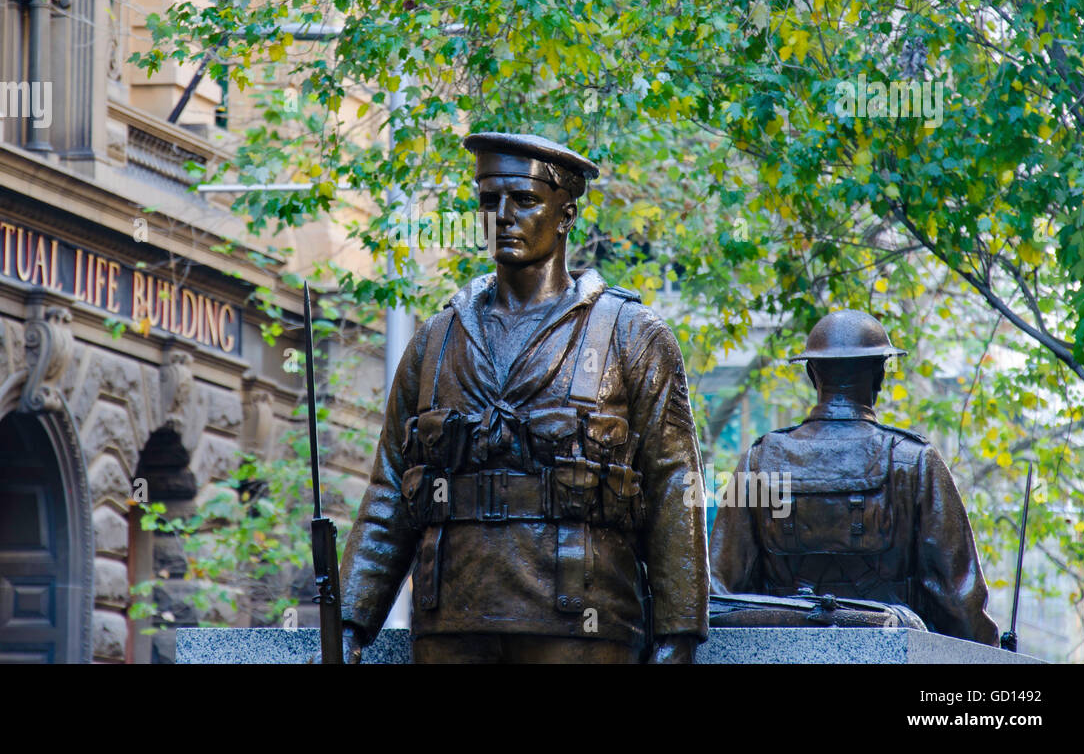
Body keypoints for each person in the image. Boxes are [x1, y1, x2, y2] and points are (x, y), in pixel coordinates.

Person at [338, 132, 709, 663]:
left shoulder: (632, 334)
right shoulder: (436, 340)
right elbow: (391, 488)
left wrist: (679, 632)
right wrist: (351, 621)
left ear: (566, 214)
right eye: (489, 202)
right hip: (452, 621)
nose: (504, 216)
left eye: (526, 200)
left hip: (583, 621)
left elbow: (676, 481)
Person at [709, 309, 1000, 645]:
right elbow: (957, 594)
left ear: (811, 374)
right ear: (879, 377)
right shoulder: (916, 461)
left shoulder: (759, 460)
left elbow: (721, 588)